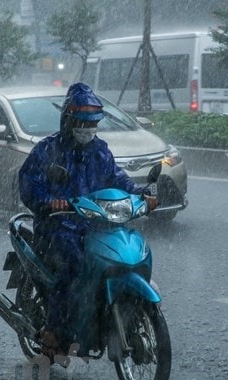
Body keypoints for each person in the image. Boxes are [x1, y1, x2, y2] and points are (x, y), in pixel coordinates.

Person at [18, 82, 157, 358]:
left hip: (95, 223)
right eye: (81, 122)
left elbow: (117, 178)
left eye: (91, 123)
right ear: (68, 121)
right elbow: (28, 185)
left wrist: (142, 193)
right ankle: (54, 331)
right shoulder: (48, 151)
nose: (86, 128)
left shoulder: (99, 151)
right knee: (74, 264)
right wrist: (49, 202)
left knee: (126, 252)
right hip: (58, 226)